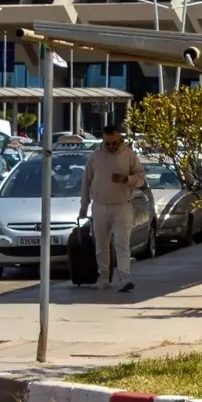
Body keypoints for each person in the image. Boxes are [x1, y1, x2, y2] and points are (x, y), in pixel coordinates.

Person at [78, 124, 147, 292]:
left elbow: (141, 179)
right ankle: (103, 278)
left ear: (120, 139)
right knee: (101, 245)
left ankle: (124, 277)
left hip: (123, 206)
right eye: (108, 143)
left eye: (114, 143)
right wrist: (83, 207)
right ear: (103, 140)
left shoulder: (129, 155)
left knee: (122, 244)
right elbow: (86, 182)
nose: (111, 146)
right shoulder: (95, 156)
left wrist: (126, 179)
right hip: (100, 206)